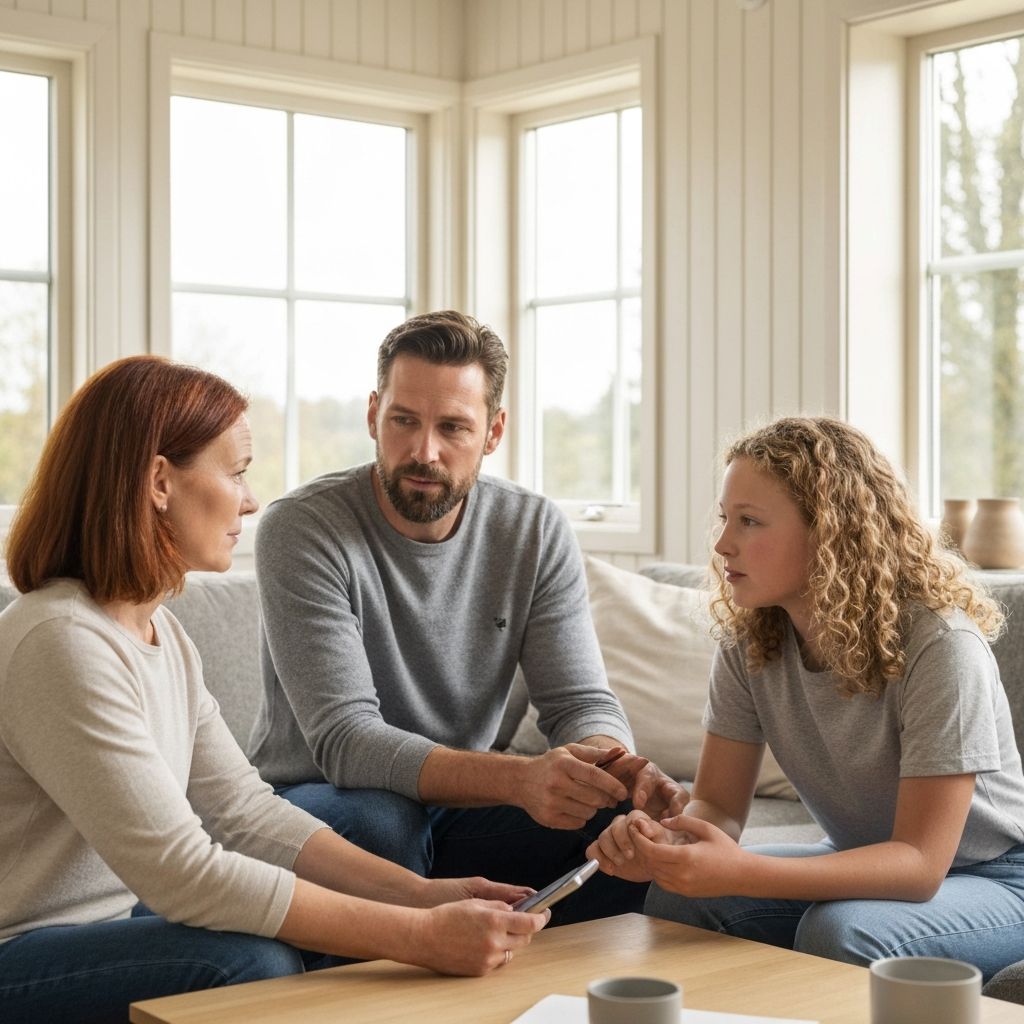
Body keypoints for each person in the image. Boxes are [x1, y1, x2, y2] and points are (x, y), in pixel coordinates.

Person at [0, 356, 547, 1024]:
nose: (250, 500)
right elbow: (183, 871)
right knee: (250, 963)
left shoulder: (162, 635)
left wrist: (421, 895)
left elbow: (243, 812)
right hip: (19, 951)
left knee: (270, 943)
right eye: (235, 472)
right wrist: (417, 935)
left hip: (107, 924)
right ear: (160, 482)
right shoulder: (60, 640)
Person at [249, 310, 651, 924]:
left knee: (622, 825)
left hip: (457, 806)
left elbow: (579, 703)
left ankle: (524, 975)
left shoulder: (534, 529)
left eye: (453, 427)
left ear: (493, 431)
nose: (424, 452)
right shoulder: (304, 528)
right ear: (373, 415)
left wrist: (613, 770)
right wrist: (520, 779)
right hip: (321, 801)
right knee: (383, 821)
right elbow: (347, 742)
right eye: (404, 420)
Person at [588, 416, 1024, 981]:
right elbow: (718, 807)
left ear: (830, 532)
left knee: (842, 930)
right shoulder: (751, 640)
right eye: (725, 518)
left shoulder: (941, 646)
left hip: (996, 878)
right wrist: (669, 842)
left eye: (749, 521)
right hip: (860, 858)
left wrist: (737, 871)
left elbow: (919, 865)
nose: (722, 544)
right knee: (679, 895)